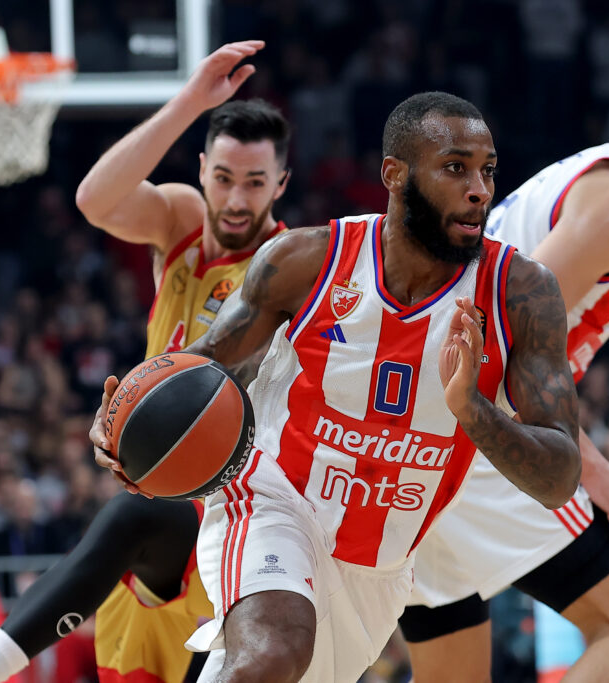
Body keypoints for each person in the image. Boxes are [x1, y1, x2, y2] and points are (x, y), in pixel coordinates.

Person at [90, 90, 582, 683]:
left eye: (487, 170)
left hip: (378, 566)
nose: (479, 189)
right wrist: (124, 417)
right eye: (455, 168)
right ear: (395, 175)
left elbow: (559, 480)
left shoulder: (522, 294)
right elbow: (204, 368)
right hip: (272, 500)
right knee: (271, 656)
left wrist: (472, 410)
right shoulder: (306, 261)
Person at [0, 40, 292, 683]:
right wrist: (191, 100)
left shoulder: (288, 265)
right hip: (157, 490)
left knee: (137, 516)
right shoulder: (182, 223)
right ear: (203, 171)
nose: (238, 199)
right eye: (223, 178)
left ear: (281, 185)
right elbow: (94, 200)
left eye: (255, 183)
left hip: (231, 512)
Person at [400, 42, 609, 683]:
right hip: (472, 431)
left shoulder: (596, 180)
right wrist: (598, 471)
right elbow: (500, 342)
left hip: (419, 434)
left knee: (453, 669)